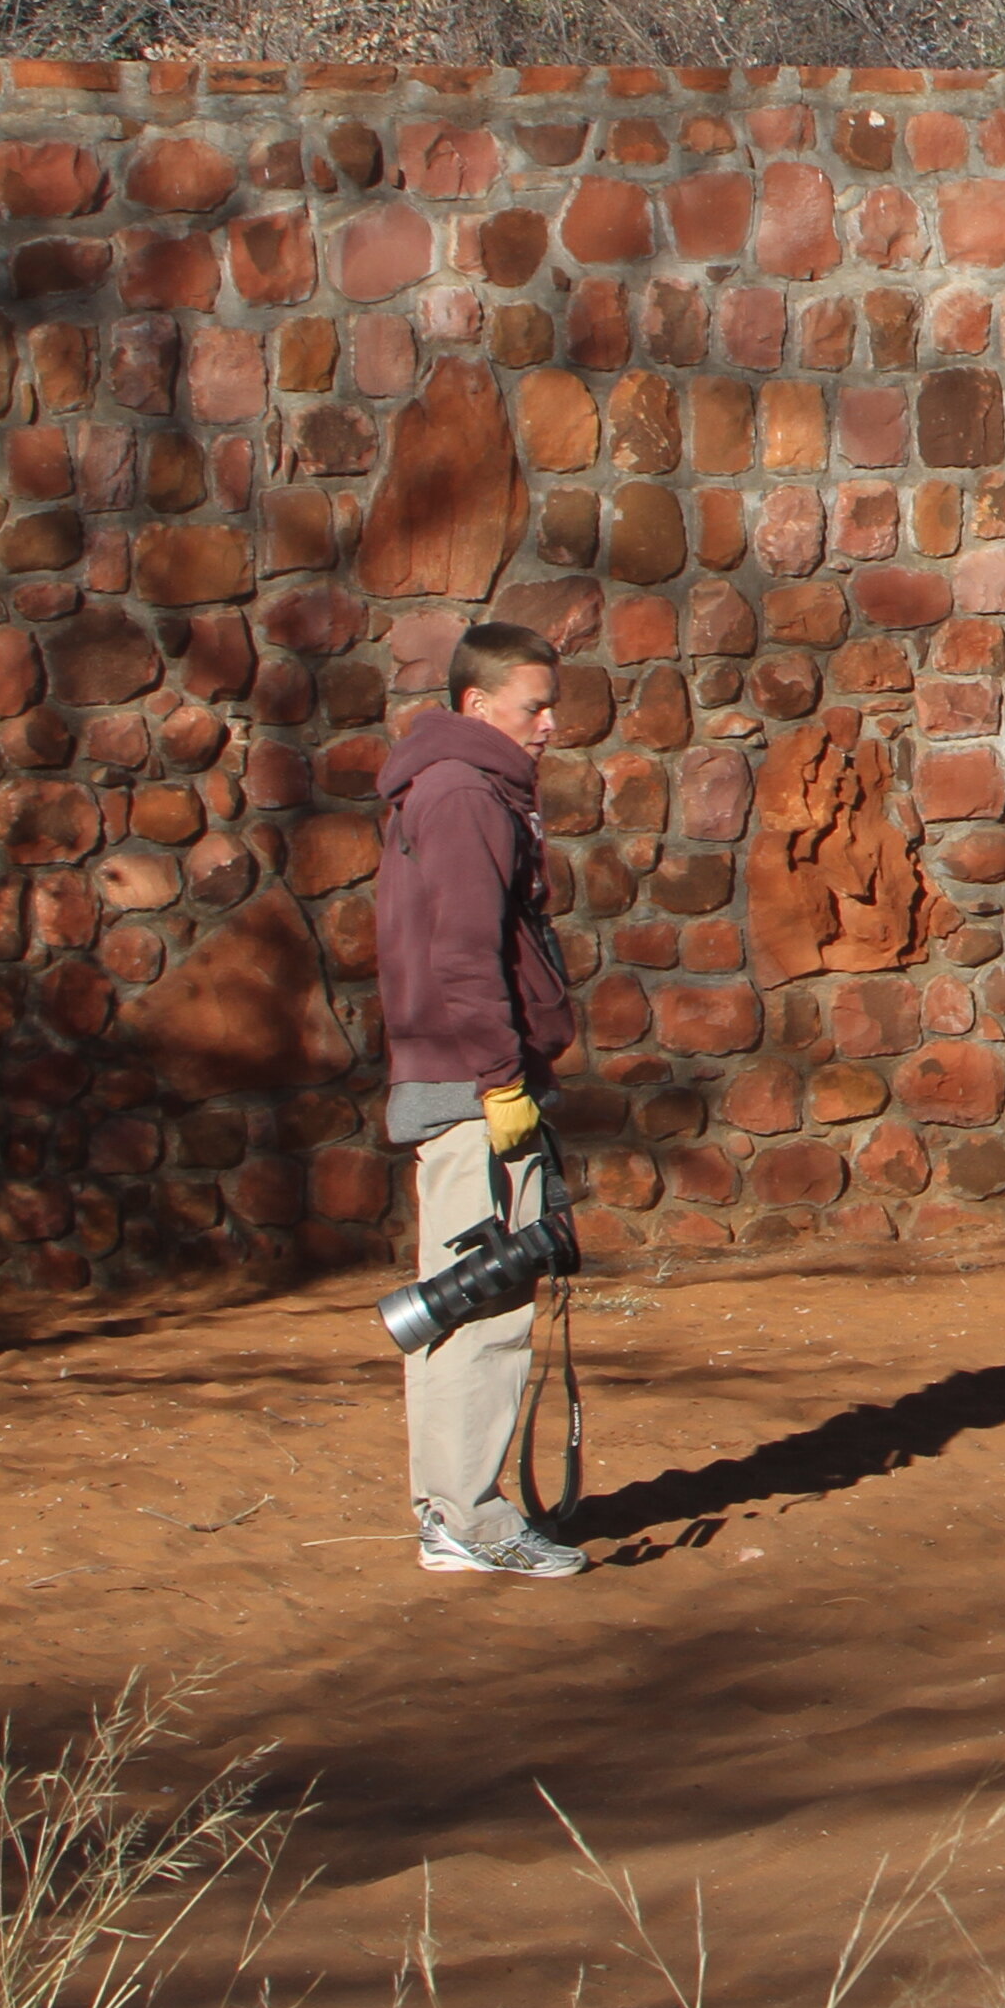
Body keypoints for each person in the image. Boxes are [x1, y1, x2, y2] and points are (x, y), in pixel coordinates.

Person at [378, 617, 584, 1581]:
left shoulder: (462, 786)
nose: (549, 723)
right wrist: (503, 1082)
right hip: (472, 1086)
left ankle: (451, 1511)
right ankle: (470, 1518)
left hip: (468, 1079)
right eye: (534, 705)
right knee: (485, 1303)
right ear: (478, 703)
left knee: (462, 1300)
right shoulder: (464, 793)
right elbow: (464, 955)